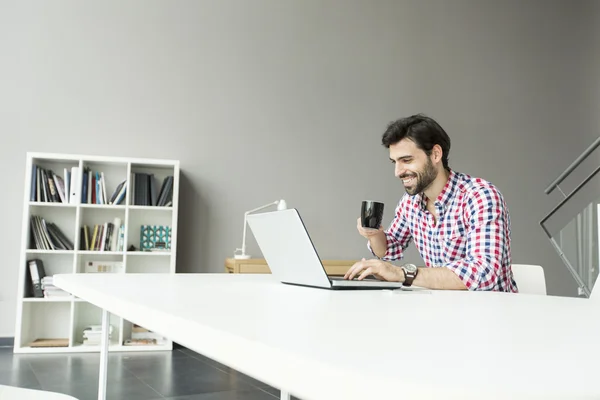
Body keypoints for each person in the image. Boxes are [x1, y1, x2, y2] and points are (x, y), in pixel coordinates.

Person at [344, 114, 518, 292]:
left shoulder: (480, 196)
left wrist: (403, 274)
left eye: (406, 160)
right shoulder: (410, 203)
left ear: (435, 154)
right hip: (442, 311)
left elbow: (484, 273)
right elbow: (389, 247)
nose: (397, 172)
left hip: (490, 314)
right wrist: (374, 235)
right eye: (394, 162)